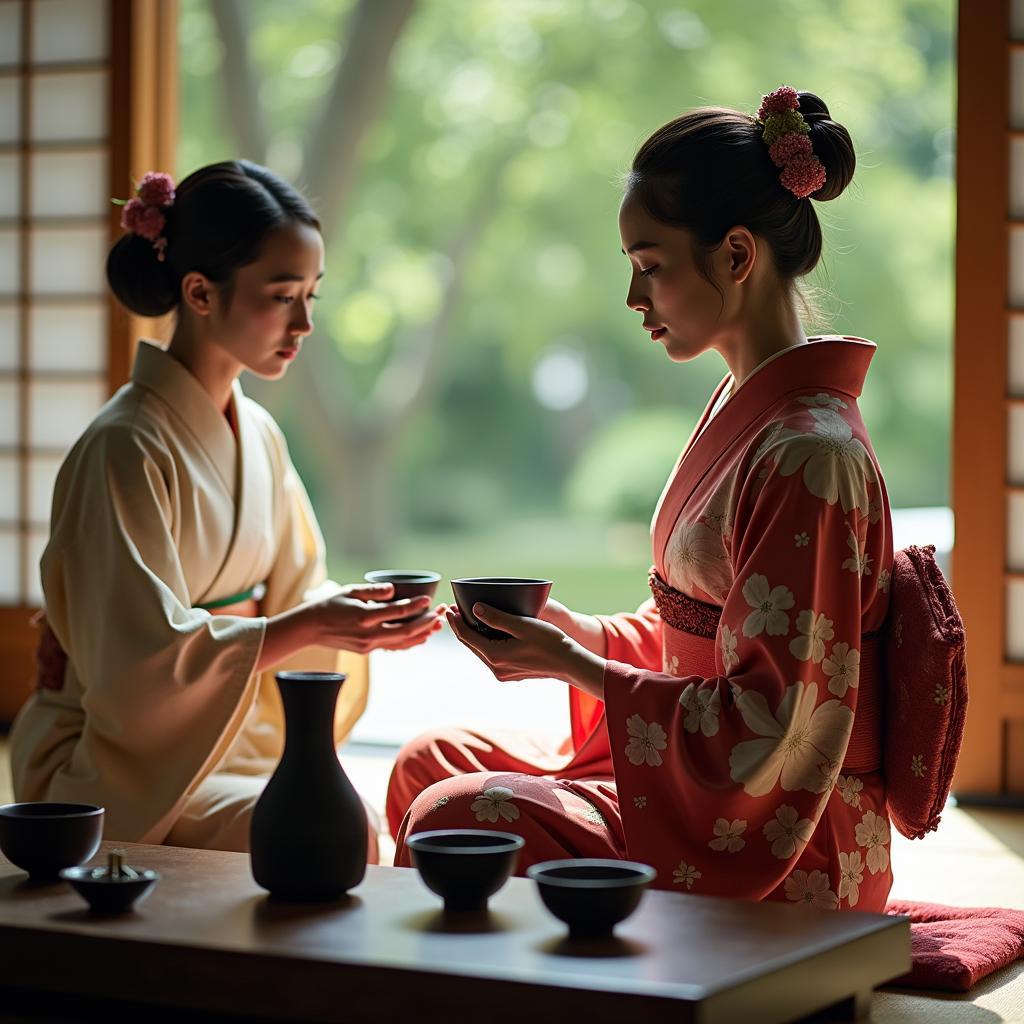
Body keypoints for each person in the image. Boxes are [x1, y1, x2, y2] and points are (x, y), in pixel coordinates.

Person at [387, 87, 895, 912]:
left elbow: (778, 723)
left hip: (786, 836)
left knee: (452, 812)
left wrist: (574, 667)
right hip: (701, 777)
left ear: (736, 256)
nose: (634, 299)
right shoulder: (747, 409)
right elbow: (689, 631)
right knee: (427, 760)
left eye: (650, 267)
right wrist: (572, 634)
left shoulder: (810, 455)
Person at [9, 160, 443, 857]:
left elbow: (301, 592)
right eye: (281, 296)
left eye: (312, 295)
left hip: (238, 734)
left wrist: (361, 616)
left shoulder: (261, 435)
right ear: (201, 294)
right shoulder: (124, 447)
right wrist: (309, 624)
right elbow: (137, 665)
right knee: (329, 834)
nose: (303, 322)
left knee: (371, 814)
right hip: (120, 760)